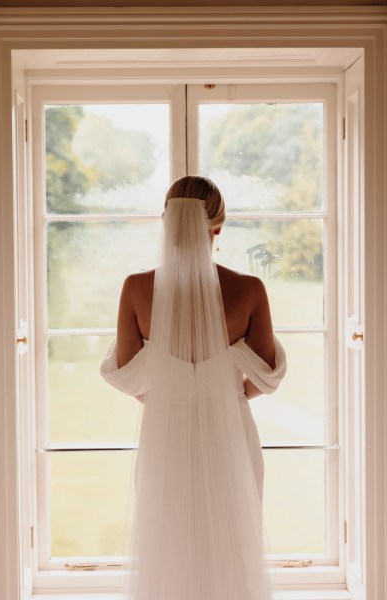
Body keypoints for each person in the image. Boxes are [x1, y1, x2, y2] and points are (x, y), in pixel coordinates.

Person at [101, 175, 287, 600]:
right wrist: (227, 396)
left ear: (167, 223)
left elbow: (124, 375)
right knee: (233, 534)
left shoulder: (136, 288)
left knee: (166, 534)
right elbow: (266, 376)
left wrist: (166, 394)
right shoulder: (249, 290)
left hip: (165, 430)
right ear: (217, 227)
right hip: (231, 431)